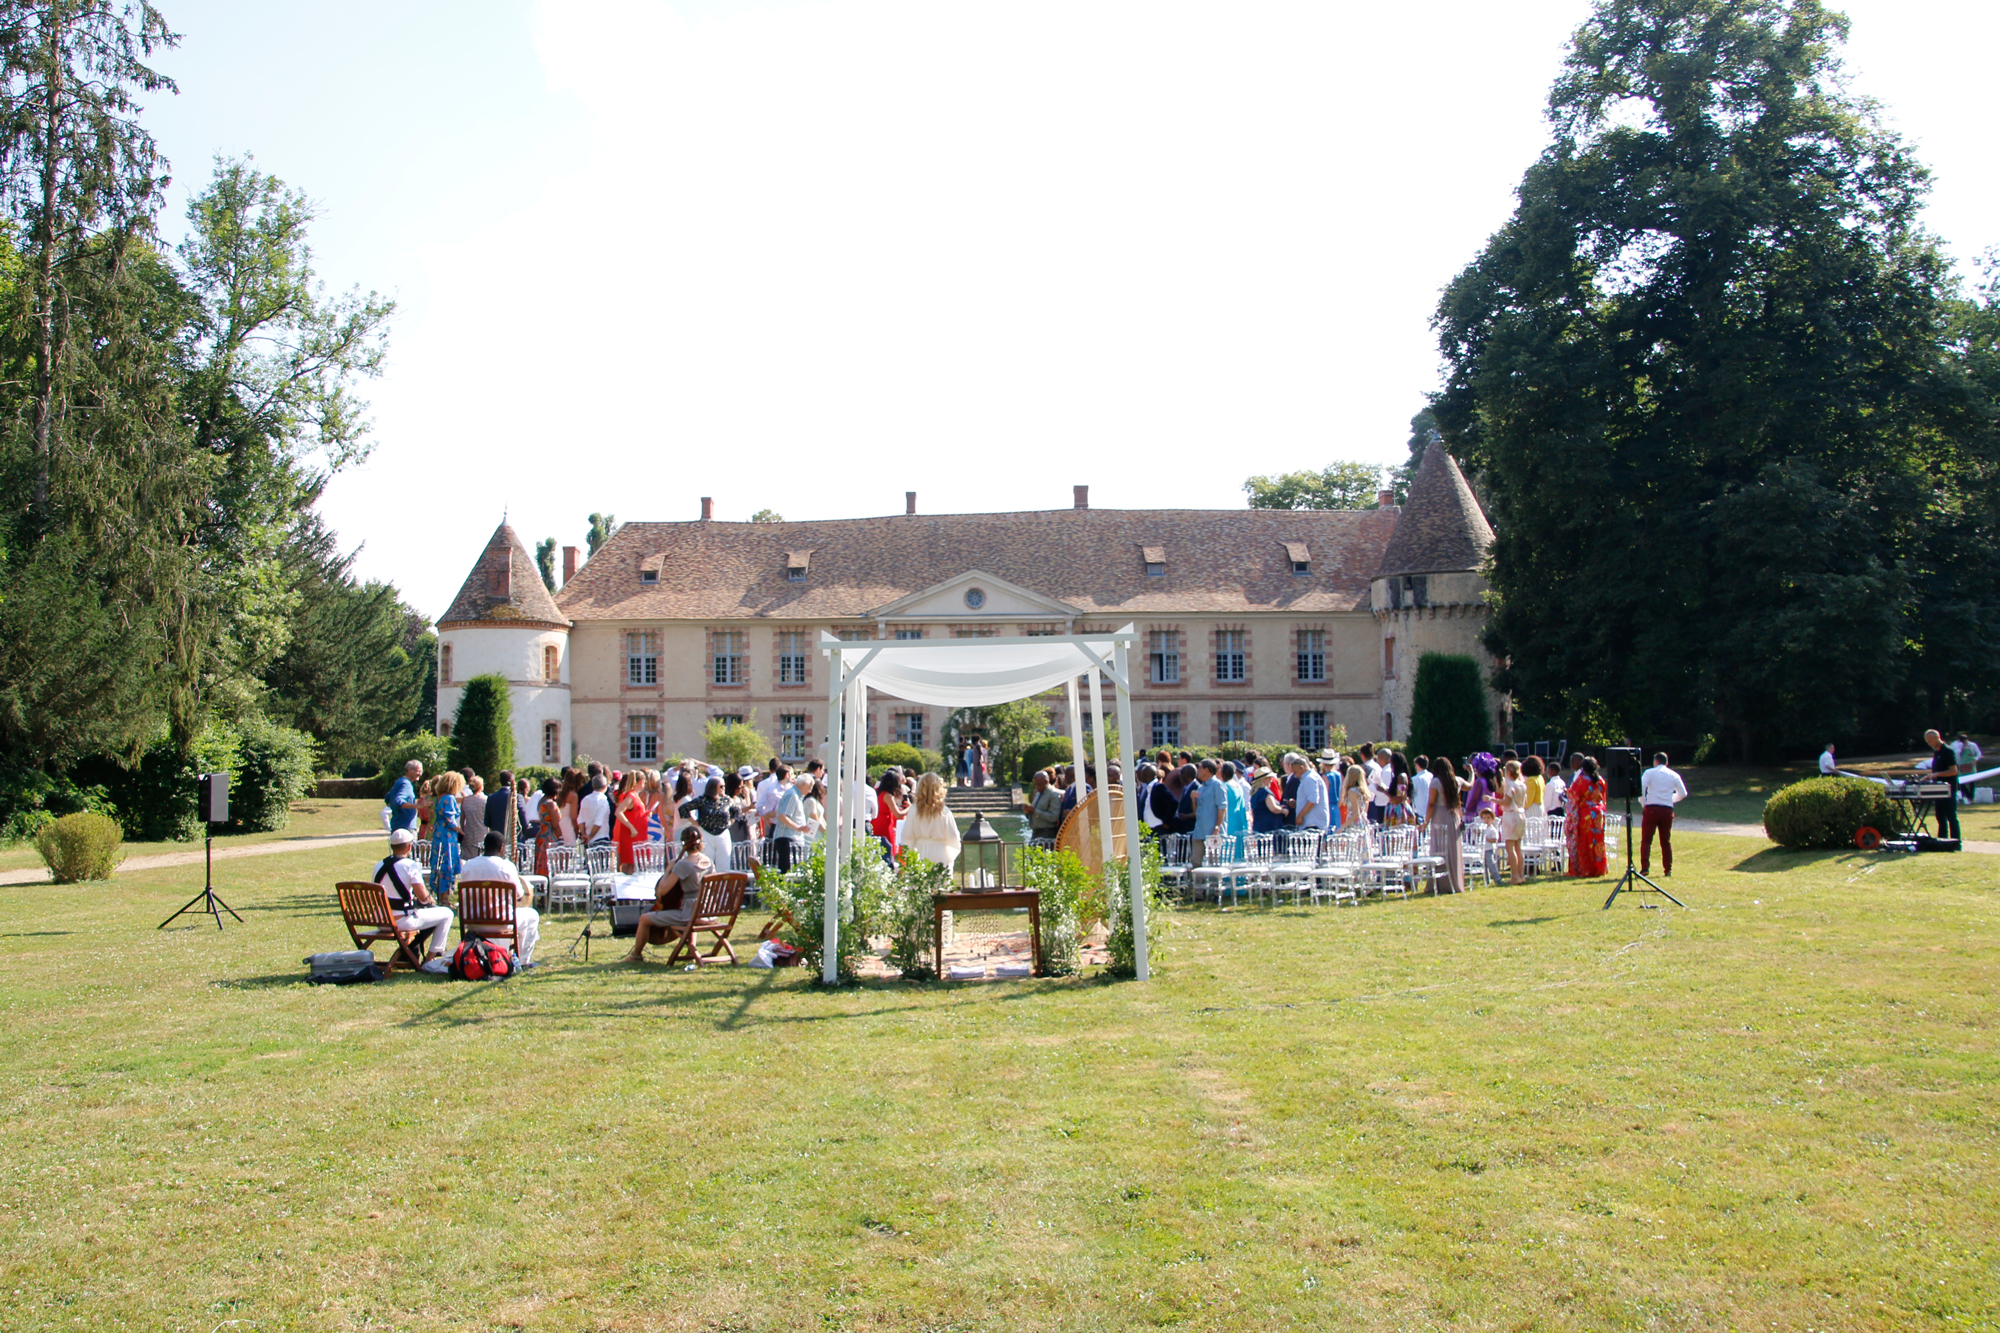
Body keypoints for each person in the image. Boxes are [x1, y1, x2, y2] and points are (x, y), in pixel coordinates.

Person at [622, 827, 713, 964]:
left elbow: (662, 891)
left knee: (644, 919)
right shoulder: (709, 862)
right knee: (690, 912)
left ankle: (636, 955)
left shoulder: (683, 864)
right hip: (708, 913)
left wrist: (669, 869)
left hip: (690, 914)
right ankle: (690, 950)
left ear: (683, 842)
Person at [459, 830, 541, 965]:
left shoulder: (469, 865)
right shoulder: (506, 866)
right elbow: (519, 895)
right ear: (502, 847)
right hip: (500, 922)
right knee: (532, 915)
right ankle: (523, 960)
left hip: (472, 921)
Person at [375, 828, 452, 968]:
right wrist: (430, 899)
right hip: (401, 921)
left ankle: (411, 952)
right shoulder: (410, 865)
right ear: (410, 847)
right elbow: (423, 898)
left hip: (381, 920)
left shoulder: (378, 866)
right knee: (447, 914)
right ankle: (430, 959)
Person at [1638, 751, 1687, 877]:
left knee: (1646, 840)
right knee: (1665, 841)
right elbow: (1683, 793)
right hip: (1666, 809)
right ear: (1667, 762)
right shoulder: (1674, 775)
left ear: (1656, 761)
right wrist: (1670, 799)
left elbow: (1641, 788)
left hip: (1652, 807)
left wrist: (1644, 802)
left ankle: (1645, 866)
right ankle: (1668, 869)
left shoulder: (1649, 772)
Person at [902, 772, 962, 868]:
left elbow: (907, 837)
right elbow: (953, 838)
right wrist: (950, 856)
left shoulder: (913, 810)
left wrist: (908, 856)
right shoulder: (944, 811)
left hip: (919, 852)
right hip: (940, 853)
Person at [1426, 757, 1465, 894]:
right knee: (1452, 848)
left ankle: (1440, 882)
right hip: (1453, 815)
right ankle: (1455, 881)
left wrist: (1426, 821)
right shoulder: (1457, 780)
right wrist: (1471, 772)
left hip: (1440, 815)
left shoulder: (1436, 782)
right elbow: (1470, 785)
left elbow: (1431, 803)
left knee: (1439, 848)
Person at [1566, 756, 1609, 878]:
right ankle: (1599, 868)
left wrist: (1566, 793)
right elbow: (1603, 798)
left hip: (1586, 814)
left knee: (1585, 841)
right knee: (1597, 841)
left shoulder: (1582, 780)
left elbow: (1573, 796)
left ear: (1583, 768)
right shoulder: (1601, 780)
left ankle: (1586, 870)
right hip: (1598, 814)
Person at [768, 764, 810, 871]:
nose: (810, 791)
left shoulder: (797, 795)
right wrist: (798, 828)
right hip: (786, 839)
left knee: (792, 871)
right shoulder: (793, 795)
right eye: (810, 787)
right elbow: (782, 816)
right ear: (803, 784)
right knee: (786, 871)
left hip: (792, 839)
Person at [430, 771, 464, 899]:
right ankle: (444, 897)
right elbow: (450, 819)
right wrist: (460, 830)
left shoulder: (439, 797)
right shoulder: (449, 798)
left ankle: (440, 893)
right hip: (447, 835)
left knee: (439, 862)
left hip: (438, 832)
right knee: (447, 863)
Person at [689, 777, 735, 867]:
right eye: (721, 786)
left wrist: (730, 822)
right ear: (713, 787)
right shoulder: (702, 800)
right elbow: (683, 810)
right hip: (706, 833)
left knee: (724, 865)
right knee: (706, 864)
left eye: (724, 786)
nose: (723, 788)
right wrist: (694, 822)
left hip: (723, 833)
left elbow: (737, 811)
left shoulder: (727, 800)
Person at [1924, 729, 1960, 841]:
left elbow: (1954, 771)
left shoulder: (1948, 751)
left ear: (1937, 737)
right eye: (1927, 742)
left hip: (1949, 788)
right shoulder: (1937, 752)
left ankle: (1955, 841)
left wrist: (1937, 774)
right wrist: (1929, 776)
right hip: (1938, 789)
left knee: (1951, 816)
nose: (1929, 744)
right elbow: (1937, 769)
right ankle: (1942, 840)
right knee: (1940, 816)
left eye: (1930, 741)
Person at [1498, 758, 1528, 884]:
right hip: (1521, 814)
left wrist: (1492, 800)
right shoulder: (1522, 784)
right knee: (1518, 847)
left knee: (1510, 848)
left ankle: (1515, 876)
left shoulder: (1510, 784)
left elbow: (1506, 801)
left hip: (1511, 815)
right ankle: (1521, 875)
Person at [613, 770, 649, 873]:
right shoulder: (631, 796)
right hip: (632, 834)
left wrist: (645, 813)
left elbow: (634, 811)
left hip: (638, 834)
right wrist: (631, 828)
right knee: (629, 864)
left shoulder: (635, 795)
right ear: (640, 781)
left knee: (634, 864)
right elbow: (619, 812)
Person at [1292, 753, 1331, 832]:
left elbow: (1313, 800)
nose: (1295, 775)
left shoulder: (1310, 779)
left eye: (1295, 772)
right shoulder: (1310, 777)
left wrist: (1300, 816)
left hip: (1312, 824)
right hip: (1312, 823)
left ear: (1302, 767)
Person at [1022, 770, 1064, 842]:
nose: (1036, 787)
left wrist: (1035, 811)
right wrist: (1028, 812)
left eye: (1038, 784)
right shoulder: (1037, 794)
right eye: (1035, 784)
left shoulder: (1053, 795)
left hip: (1047, 833)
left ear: (1046, 782)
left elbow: (1054, 817)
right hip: (1035, 833)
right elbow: (1034, 814)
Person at [534, 778, 562, 875]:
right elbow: (555, 825)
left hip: (541, 835)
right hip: (550, 838)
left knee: (540, 865)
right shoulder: (551, 804)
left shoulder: (541, 801)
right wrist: (561, 837)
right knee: (549, 867)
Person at [385, 759, 422, 835]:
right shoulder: (406, 784)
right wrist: (419, 805)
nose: (420, 774)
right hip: (405, 828)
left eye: (421, 771)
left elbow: (388, 798)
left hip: (397, 825)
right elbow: (399, 801)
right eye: (418, 771)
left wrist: (397, 810)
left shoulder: (400, 781)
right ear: (409, 770)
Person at [578, 774, 613, 849]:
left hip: (587, 837)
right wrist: (590, 837)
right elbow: (598, 822)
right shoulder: (603, 800)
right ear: (605, 786)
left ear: (593, 786)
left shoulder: (585, 799)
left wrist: (584, 835)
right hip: (601, 837)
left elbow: (580, 819)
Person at [460, 774, 488, 860]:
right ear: (481, 787)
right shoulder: (486, 800)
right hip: (482, 831)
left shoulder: (465, 800)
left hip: (469, 831)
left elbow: (462, 819)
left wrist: (463, 830)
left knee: (468, 857)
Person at [1953, 732, 1982, 805]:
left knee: (1972, 782)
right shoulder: (1956, 745)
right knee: (1961, 781)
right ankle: (1967, 795)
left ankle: (1971, 797)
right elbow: (1956, 755)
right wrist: (1962, 749)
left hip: (1971, 764)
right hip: (1961, 765)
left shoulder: (1972, 745)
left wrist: (1975, 760)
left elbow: (1979, 754)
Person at [1409, 754, 1433, 828]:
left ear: (1417, 765)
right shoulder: (1431, 776)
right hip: (1431, 810)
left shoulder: (1414, 779)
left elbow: (1411, 795)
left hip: (1419, 811)